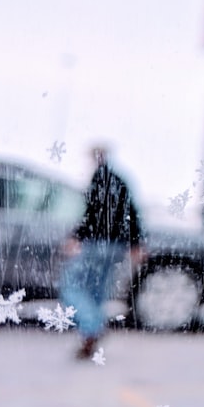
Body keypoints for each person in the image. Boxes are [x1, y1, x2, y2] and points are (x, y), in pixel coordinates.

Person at [61, 145, 146, 360]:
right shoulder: (120, 180)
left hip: (97, 243)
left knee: (72, 286)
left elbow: (92, 213)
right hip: (117, 246)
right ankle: (91, 332)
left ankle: (92, 327)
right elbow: (131, 212)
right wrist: (136, 242)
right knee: (97, 291)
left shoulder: (100, 178)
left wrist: (77, 236)